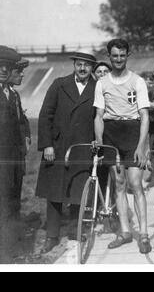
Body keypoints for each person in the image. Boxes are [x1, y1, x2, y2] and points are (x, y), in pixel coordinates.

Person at [36, 51, 98, 254]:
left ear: (92, 68)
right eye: (79, 64)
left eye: (87, 66)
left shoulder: (97, 88)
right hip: (58, 146)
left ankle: (75, 231)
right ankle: (51, 236)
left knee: (78, 191)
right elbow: (46, 115)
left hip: (83, 148)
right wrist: (47, 145)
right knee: (55, 192)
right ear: (74, 65)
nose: (82, 69)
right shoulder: (59, 84)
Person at [93, 39, 151, 254]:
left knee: (135, 183)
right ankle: (126, 231)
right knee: (117, 182)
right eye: (115, 55)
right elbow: (98, 116)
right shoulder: (102, 83)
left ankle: (143, 234)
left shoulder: (137, 81)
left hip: (132, 132)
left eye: (122, 55)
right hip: (111, 133)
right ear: (109, 56)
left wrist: (141, 146)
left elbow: (144, 116)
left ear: (128, 55)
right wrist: (100, 141)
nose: (118, 59)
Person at [0, 46, 22, 263]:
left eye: (7, 66)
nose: (3, 70)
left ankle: (12, 250)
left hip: (13, 159)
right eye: (0, 66)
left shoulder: (10, 94)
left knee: (12, 201)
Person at [8, 58, 31, 215]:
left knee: (15, 194)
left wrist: (27, 137)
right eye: (18, 72)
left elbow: (21, 121)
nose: (22, 75)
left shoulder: (14, 94)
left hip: (16, 155)